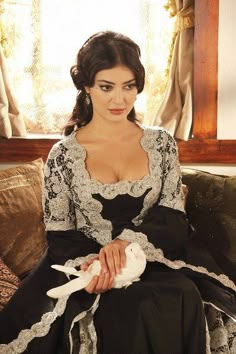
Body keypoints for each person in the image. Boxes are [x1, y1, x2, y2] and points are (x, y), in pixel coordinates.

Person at [0, 30, 235, 354]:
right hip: (83, 263)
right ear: (86, 86)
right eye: (106, 87)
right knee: (117, 305)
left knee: (181, 293)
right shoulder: (64, 155)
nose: (119, 99)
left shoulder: (161, 144)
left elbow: (172, 216)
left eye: (128, 86)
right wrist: (98, 265)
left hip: (155, 259)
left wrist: (126, 245)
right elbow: (60, 233)